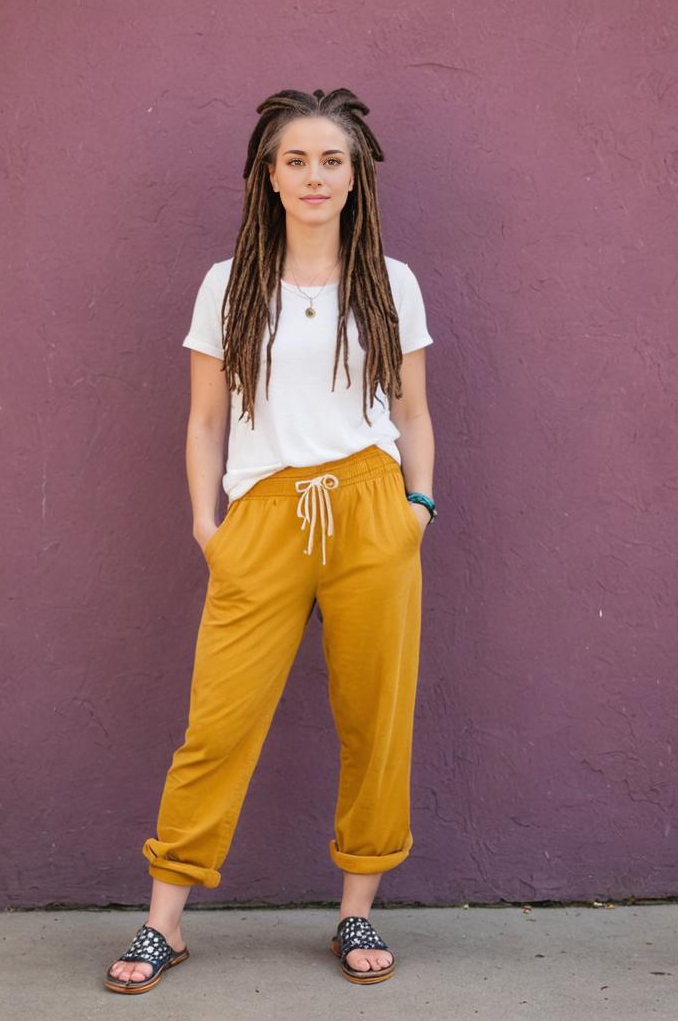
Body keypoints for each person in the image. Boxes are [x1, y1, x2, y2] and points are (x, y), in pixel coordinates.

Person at [104, 86, 437, 994]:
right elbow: (205, 421)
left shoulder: (392, 281)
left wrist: (419, 507)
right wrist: (210, 526)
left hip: (373, 511)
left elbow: (411, 410)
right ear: (269, 173)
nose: (315, 176)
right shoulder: (229, 283)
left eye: (332, 160)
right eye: (296, 159)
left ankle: (356, 909)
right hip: (263, 519)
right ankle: (162, 925)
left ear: (357, 175)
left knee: (376, 722)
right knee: (217, 725)